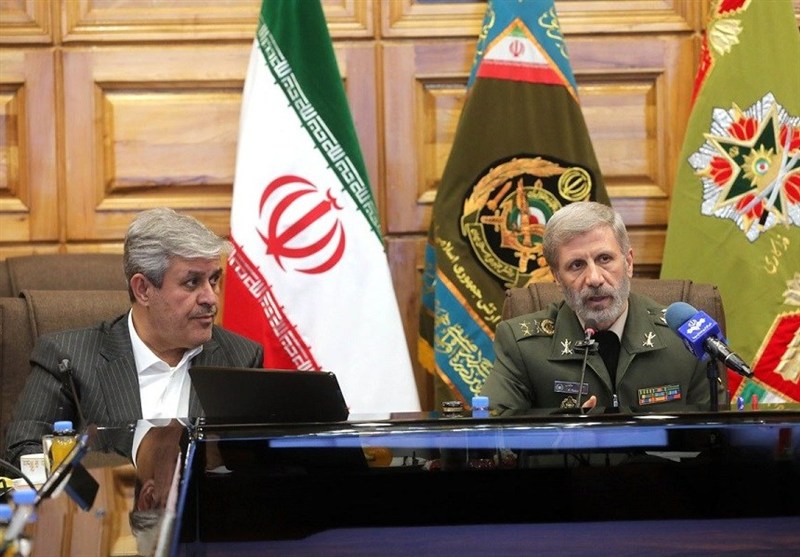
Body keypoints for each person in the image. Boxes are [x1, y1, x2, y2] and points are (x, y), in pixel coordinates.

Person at [4, 207, 263, 466]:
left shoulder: (241, 358)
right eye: (192, 283)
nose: (210, 298)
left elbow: (255, 461)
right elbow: (22, 452)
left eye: (214, 280)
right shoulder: (68, 359)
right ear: (143, 289)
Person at [480, 201, 709, 414]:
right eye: (576, 265)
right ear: (557, 278)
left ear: (628, 263)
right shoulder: (523, 347)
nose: (594, 279)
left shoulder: (684, 340)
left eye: (604, 259)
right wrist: (565, 428)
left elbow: (716, 433)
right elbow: (491, 428)